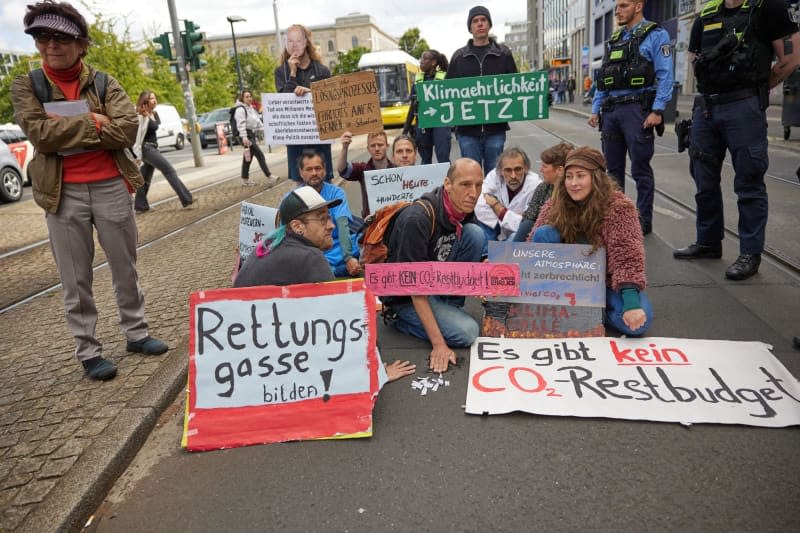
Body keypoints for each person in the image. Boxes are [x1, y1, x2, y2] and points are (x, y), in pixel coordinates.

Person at [11, 0, 168, 381]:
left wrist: (72, 124)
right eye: (42, 37)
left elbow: (126, 129)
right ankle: (89, 351)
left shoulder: (104, 81)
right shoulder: (27, 84)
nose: (51, 45)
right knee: (75, 277)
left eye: (61, 38)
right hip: (62, 194)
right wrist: (94, 121)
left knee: (124, 267)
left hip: (112, 184)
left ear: (81, 44)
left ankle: (136, 333)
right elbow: (40, 136)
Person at [673, 0, 800, 281]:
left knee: (749, 181)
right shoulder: (707, 13)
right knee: (703, 178)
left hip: (744, 107)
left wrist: (756, 89)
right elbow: (694, 56)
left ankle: (750, 254)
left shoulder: (769, 7)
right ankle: (708, 242)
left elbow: (791, 58)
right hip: (706, 106)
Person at [234, 186, 415, 382]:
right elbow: (346, 320)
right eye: (322, 219)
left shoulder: (269, 244)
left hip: (248, 359)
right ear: (297, 227)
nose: (331, 225)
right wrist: (377, 371)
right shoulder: (309, 257)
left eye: (329, 217)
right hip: (269, 362)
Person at [531, 146, 653, 336]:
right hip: (566, 282)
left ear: (596, 178)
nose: (574, 183)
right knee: (544, 232)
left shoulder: (619, 208)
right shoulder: (555, 203)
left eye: (581, 176)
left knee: (639, 324)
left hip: (605, 284)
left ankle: (586, 311)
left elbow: (627, 255)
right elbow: (531, 245)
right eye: (569, 176)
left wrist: (631, 303)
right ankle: (558, 302)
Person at [382, 158, 486, 373]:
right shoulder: (417, 219)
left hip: (434, 282)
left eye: (479, 185)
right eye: (465, 184)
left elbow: (473, 250)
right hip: (406, 297)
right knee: (468, 333)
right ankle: (398, 319)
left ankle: (448, 306)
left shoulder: (462, 207)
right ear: (447, 184)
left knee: (475, 234)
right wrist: (439, 344)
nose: (474, 193)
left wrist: (484, 275)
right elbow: (414, 287)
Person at [588, 0, 674, 236]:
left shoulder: (656, 35)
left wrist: (657, 110)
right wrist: (596, 109)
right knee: (612, 171)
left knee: (640, 169)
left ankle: (643, 220)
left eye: (623, 6)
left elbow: (666, 74)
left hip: (638, 110)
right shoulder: (614, 40)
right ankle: (617, 219)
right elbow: (604, 78)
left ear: (638, 6)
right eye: (616, 7)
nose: (618, 11)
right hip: (612, 112)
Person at [447, 5, 518, 173]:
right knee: (471, 176)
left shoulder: (504, 54)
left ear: (489, 24)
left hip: (496, 129)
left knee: (494, 176)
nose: (480, 24)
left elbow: (518, 87)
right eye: (475, 21)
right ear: (470, 27)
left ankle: (493, 201)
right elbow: (446, 92)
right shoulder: (458, 57)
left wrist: (541, 99)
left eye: (483, 20)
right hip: (467, 131)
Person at [274, 24, 333, 183]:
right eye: (290, 41)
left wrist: (310, 92)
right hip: (296, 141)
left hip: (319, 139)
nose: (294, 46)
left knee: (325, 185)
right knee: (302, 189)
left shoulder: (322, 71)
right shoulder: (281, 72)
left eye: (298, 41)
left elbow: (330, 103)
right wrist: (292, 74)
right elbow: (283, 105)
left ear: (306, 42)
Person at [293, 151, 361, 277]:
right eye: (309, 169)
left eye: (318, 168)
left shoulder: (336, 193)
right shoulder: (292, 198)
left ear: (324, 170)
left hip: (335, 246)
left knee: (365, 243)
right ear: (301, 172)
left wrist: (348, 257)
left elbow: (342, 225)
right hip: (309, 250)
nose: (314, 173)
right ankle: (334, 270)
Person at [132, 91, 193, 211]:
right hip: (146, 148)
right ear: (145, 101)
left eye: (155, 98)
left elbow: (154, 128)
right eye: (151, 98)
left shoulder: (154, 113)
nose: (154, 100)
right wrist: (137, 156)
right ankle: (186, 198)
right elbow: (137, 136)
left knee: (144, 179)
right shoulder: (140, 115)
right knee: (169, 170)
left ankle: (140, 206)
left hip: (153, 147)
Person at [473, 147, 541, 253]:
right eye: (508, 170)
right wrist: (510, 218)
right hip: (493, 227)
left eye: (518, 169)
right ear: (500, 171)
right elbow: (478, 204)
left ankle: (496, 257)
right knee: (479, 227)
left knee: (517, 236)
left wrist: (496, 206)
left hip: (517, 235)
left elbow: (526, 224)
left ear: (526, 169)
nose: (513, 176)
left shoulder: (536, 185)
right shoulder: (493, 176)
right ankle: (487, 256)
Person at [514, 141, 575, 242]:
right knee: (511, 238)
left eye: (545, 166)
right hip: (536, 237)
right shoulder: (543, 188)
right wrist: (512, 249)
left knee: (545, 233)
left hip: (564, 244)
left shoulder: (574, 190)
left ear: (560, 170)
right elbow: (529, 219)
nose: (541, 170)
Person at [402, 49, 452, 165]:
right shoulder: (418, 80)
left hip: (441, 123)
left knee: (443, 160)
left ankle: (446, 183)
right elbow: (412, 107)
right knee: (425, 161)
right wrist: (405, 130)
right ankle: (428, 183)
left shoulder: (445, 78)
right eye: (421, 58)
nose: (421, 61)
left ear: (434, 62)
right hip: (423, 124)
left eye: (425, 59)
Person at [336, 130, 393, 218]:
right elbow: (342, 170)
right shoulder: (363, 169)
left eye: (380, 145)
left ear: (387, 146)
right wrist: (345, 147)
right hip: (371, 223)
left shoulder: (397, 169)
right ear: (368, 148)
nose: (377, 149)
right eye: (373, 146)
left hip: (393, 220)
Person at [233, 89, 278, 186]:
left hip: (251, 135)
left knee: (248, 157)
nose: (249, 98)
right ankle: (269, 176)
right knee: (259, 154)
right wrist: (244, 138)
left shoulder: (251, 109)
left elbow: (258, 123)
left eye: (250, 96)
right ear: (242, 98)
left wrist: (267, 130)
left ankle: (245, 179)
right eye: (246, 97)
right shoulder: (240, 109)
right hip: (245, 135)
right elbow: (241, 124)